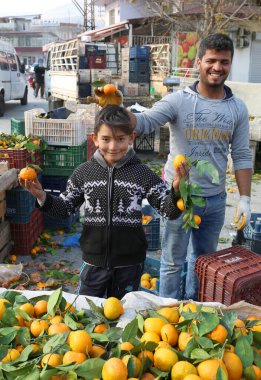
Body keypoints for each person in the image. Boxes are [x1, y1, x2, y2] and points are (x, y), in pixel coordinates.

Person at [128, 33, 253, 300]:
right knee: (172, 262)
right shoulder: (178, 101)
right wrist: (117, 110)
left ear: (230, 64)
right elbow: (144, 122)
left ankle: (195, 314)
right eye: (211, 60)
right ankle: (167, 312)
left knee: (204, 263)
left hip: (215, 201)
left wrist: (244, 199)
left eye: (224, 61)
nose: (217, 67)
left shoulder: (237, 109)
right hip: (179, 198)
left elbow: (242, 155)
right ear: (198, 62)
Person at [19, 105, 188, 299]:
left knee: (123, 316)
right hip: (93, 263)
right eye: (106, 139)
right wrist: (42, 196)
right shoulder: (83, 173)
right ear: (95, 139)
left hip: (130, 265)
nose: (113, 147)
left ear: (131, 138)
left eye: (120, 139)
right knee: (87, 314)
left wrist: (176, 190)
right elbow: (65, 208)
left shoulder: (142, 174)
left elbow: (168, 211)